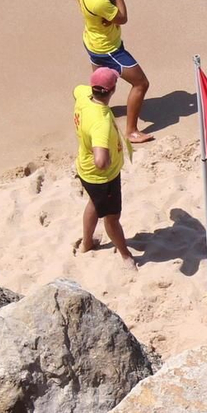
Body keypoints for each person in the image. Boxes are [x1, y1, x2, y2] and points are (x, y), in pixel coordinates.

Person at [76, 0, 152, 144]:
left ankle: (95, 111)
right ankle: (132, 131)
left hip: (91, 39)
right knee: (141, 83)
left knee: (100, 83)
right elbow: (122, 17)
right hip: (109, 48)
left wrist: (104, 19)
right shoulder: (99, 1)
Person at [73, 68, 135, 267]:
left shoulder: (84, 96)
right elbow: (100, 160)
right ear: (113, 90)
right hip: (103, 178)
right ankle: (126, 255)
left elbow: (75, 90)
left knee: (93, 202)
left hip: (84, 168)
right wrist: (106, 160)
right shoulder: (101, 122)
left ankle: (87, 243)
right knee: (112, 218)